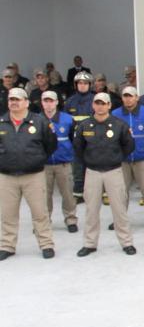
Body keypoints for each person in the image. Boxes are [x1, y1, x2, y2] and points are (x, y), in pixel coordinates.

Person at [73, 92, 136, 257]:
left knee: (119, 209)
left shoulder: (119, 125)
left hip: (113, 171)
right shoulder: (85, 126)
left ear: (109, 106)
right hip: (92, 172)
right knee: (91, 210)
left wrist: (116, 158)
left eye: (103, 103)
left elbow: (128, 146)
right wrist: (89, 160)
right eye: (97, 103)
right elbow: (78, 148)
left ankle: (126, 242)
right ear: (93, 105)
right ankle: (90, 243)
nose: (100, 106)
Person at [0, 88, 56, 260]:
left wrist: (36, 160)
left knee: (40, 212)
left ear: (26, 102)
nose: (13, 102)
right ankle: (7, 246)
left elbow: (50, 145)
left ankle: (46, 244)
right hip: (7, 176)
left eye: (17, 99)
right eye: (11, 99)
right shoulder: (1, 122)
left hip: (33, 175)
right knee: (7, 214)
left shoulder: (39, 121)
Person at [111, 86, 144, 230]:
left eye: (131, 96)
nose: (128, 99)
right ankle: (119, 220)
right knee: (121, 191)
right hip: (123, 160)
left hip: (142, 159)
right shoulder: (115, 114)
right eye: (125, 96)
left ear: (137, 97)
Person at [40, 90, 79, 233]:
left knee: (68, 193)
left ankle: (71, 219)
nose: (48, 104)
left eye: (51, 101)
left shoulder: (68, 119)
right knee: (44, 195)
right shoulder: (36, 120)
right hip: (44, 165)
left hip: (63, 163)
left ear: (57, 102)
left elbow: (74, 140)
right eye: (45, 101)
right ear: (42, 103)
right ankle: (44, 221)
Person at [64, 70, 94, 201]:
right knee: (78, 167)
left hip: (94, 139)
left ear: (90, 85)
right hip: (76, 141)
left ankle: (100, 193)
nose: (82, 85)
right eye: (80, 83)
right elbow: (66, 122)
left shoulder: (96, 100)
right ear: (76, 85)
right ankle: (78, 194)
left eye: (85, 83)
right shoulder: (70, 101)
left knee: (96, 166)